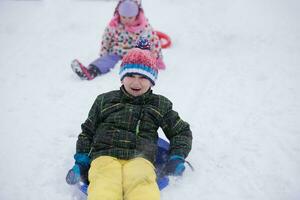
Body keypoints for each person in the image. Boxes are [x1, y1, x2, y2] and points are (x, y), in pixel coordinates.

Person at [66, 44, 192, 200]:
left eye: (143, 77)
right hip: (105, 157)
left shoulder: (159, 105)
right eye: (131, 75)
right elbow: (88, 133)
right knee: (104, 184)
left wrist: (177, 156)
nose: (136, 83)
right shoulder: (104, 100)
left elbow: (181, 131)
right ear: (122, 76)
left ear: (152, 80)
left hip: (139, 158)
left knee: (142, 184)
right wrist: (82, 162)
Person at [71, 0, 165, 80]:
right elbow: (106, 39)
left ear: (136, 15)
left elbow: (154, 41)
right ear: (118, 13)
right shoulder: (114, 25)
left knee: (142, 63)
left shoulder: (143, 27)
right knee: (106, 61)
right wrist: (104, 55)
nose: (126, 20)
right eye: (123, 17)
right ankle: (91, 71)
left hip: (136, 54)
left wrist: (157, 58)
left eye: (130, 17)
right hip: (117, 53)